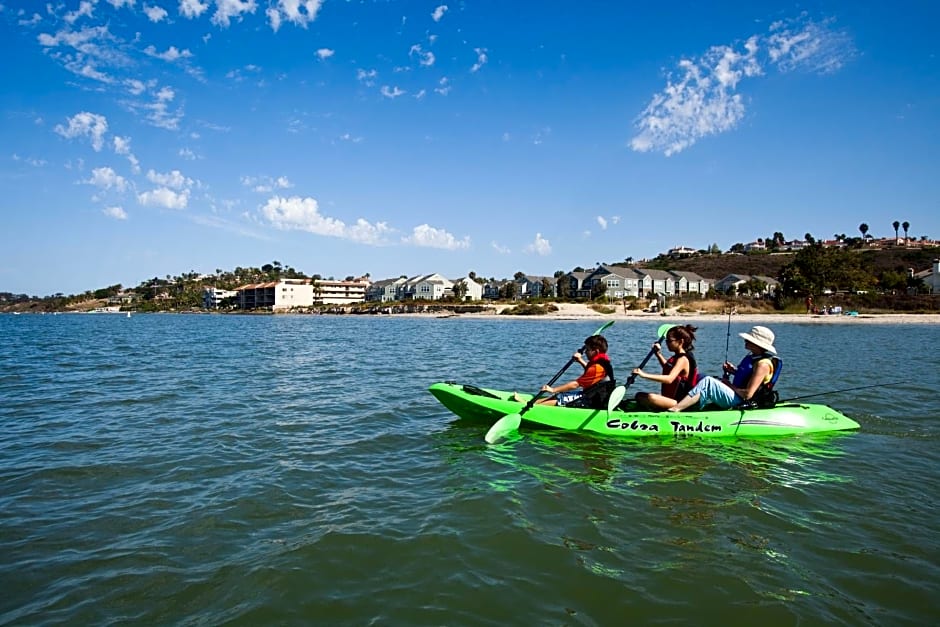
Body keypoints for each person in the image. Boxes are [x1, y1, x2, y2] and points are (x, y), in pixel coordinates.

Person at [668, 326, 777, 412]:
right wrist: (733, 371)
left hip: (742, 401)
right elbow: (747, 376)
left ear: (758, 344)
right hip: (737, 395)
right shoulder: (753, 357)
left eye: (749, 339)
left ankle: (676, 409)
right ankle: (690, 407)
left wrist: (728, 384)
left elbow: (748, 394)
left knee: (708, 382)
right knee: (703, 377)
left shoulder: (763, 365)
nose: (745, 340)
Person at [513, 335, 614, 408]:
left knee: (560, 397)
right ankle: (530, 402)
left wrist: (553, 389)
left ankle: (532, 407)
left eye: (587, 350)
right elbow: (591, 374)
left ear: (595, 351)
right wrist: (580, 361)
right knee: (559, 395)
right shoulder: (602, 362)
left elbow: (575, 384)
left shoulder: (597, 367)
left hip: (593, 401)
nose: (586, 352)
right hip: (593, 395)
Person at [631, 324, 699, 411]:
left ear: (680, 342)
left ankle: (657, 409)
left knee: (651, 397)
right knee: (639, 396)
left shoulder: (683, 359)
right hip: (669, 398)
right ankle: (655, 408)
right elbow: (667, 367)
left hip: (678, 401)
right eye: (666, 341)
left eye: (669, 341)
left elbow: (669, 379)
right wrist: (658, 353)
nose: (667, 344)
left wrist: (644, 375)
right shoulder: (677, 356)